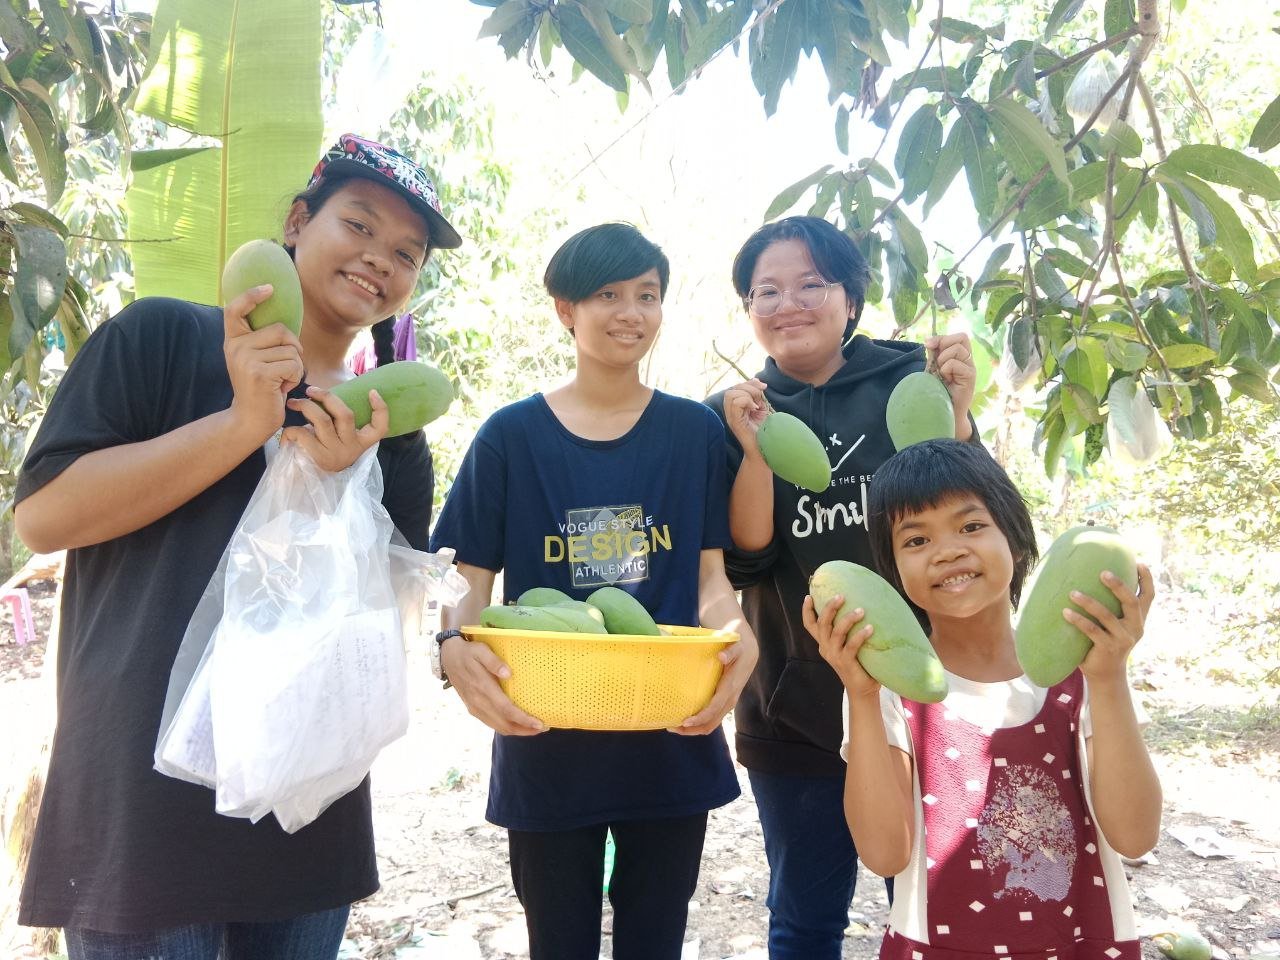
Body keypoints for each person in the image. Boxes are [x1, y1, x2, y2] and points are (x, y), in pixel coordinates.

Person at [15, 132, 462, 960]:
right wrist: (242, 426)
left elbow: (385, 613)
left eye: (406, 252)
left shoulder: (385, 429)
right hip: (144, 806)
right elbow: (44, 517)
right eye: (358, 225)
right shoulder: (161, 341)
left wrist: (334, 488)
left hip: (306, 807)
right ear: (298, 221)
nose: (379, 260)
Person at [429, 222, 760, 960]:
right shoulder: (509, 438)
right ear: (564, 310)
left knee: (656, 942)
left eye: (647, 295)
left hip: (672, 736)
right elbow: (465, 583)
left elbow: (712, 583)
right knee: (559, 943)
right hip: (545, 739)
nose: (630, 312)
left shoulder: (691, 434)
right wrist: (453, 644)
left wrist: (740, 636)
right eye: (608, 294)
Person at [703, 215, 978, 958]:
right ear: (749, 309)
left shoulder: (908, 379)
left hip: (919, 697)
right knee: (804, 916)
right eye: (767, 291)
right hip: (795, 707)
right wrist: (754, 452)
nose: (788, 304)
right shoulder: (732, 412)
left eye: (811, 285)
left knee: (930, 906)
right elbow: (746, 563)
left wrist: (957, 413)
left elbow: (968, 523)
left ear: (850, 299)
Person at [806, 438, 1161, 960]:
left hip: (1085, 943)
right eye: (916, 539)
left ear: (1016, 539)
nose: (948, 550)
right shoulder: (887, 690)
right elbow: (884, 853)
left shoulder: (1086, 669)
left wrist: (1108, 679)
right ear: (894, 573)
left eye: (971, 526)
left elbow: (1135, 837)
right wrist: (860, 696)